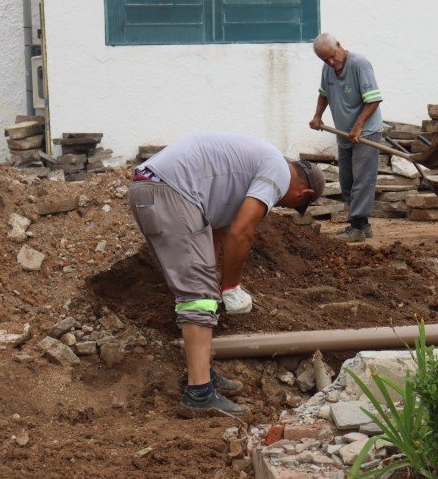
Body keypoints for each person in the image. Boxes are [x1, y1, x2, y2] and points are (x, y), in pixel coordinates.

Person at [129, 132, 325, 417]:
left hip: (156, 188)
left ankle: (203, 371)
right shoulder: (279, 171)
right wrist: (230, 286)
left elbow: (219, 231)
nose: (282, 206)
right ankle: (199, 393)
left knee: (201, 287)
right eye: (292, 204)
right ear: (304, 194)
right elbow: (241, 231)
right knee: (198, 295)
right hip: (170, 193)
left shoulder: (252, 167)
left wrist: (214, 278)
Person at [309, 32, 383, 243]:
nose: (331, 62)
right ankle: (364, 225)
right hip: (345, 134)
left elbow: (374, 99)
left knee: (362, 179)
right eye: (326, 60)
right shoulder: (328, 68)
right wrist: (317, 116)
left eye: (333, 56)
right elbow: (324, 93)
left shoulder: (360, 64)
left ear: (339, 45)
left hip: (365, 133)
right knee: (347, 180)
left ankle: (357, 227)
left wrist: (359, 125)